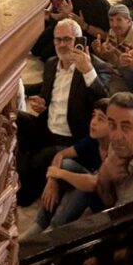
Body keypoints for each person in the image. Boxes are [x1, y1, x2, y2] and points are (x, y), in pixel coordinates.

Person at [17, 19, 113, 206]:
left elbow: (105, 104)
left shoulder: (97, 67)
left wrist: (88, 72)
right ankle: (25, 167)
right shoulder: (52, 64)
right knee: (16, 119)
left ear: (79, 40)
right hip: (47, 126)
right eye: (58, 40)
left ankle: (26, 189)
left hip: (71, 137)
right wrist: (43, 103)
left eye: (67, 40)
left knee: (41, 159)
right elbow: (47, 93)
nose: (61, 45)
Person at [21, 97, 111, 241]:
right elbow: (61, 154)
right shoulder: (93, 140)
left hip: (106, 202)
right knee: (67, 164)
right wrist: (52, 181)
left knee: (82, 187)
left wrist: (60, 174)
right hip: (92, 187)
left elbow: (94, 183)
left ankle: (51, 232)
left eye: (101, 119)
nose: (93, 122)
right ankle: (40, 224)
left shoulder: (115, 148)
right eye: (93, 116)